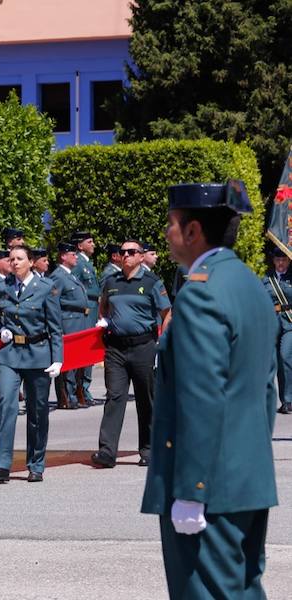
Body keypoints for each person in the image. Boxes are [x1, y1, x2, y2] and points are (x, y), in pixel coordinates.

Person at [141, 180, 278, 598]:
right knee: (244, 589)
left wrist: (191, 492)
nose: (166, 233)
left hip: (210, 487)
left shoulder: (201, 293)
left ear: (194, 231)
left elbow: (202, 398)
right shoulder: (249, 285)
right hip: (247, 476)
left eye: (171, 223)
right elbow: (264, 393)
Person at [0, 245, 63, 484]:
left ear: (30, 262)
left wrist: (58, 358)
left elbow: (55, 328)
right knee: (5, 404)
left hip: (38, 353)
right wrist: (0, 330)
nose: (15, 262)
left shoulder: (46, 288)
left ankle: (36, 464)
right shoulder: (1, 287)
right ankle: (2, 464)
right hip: (9, 354)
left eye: (19, 259)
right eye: (11, 259)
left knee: (37, 410)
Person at [91, 239, 171, 469]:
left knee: (146, 399)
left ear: (141, 256)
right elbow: (103, 306)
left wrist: (162, 344)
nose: (125, 255)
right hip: (116, 347)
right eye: (122, 252)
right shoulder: (111, 282)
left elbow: (167, 313)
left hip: (143, 346)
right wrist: (104, 322)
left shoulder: (152, 282)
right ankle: (107, 451)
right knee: (114, 396)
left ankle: (148, 450)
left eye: (131, 252)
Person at [48, 242, 88, 410]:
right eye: (72, 254)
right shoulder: (58, 276)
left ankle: (72, 394)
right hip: (68, 321)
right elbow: (53, 303)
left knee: (76, 361)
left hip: (78, 321)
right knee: (67, 361)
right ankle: (65, 396)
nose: (76, 256)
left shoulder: (70, 275)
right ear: (63, 256)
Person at [70, 231, 99, 405]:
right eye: (90, 241)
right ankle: (79, 389)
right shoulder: (79, 263)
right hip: (85, 310)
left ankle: (84, 388)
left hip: (93, 308)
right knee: (84, 351)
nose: (93, 244)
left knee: (89, 352)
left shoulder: (87, 263)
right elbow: (75, 287)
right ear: (80, 246)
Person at [263, 246, 292, 414]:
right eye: (278, 260)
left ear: (288, 260)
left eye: (284, 260)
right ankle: (282, 400)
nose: (280, 263)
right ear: (273, 260)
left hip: (289, 322)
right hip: (271, 323)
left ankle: (289, 400)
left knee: (286, 356)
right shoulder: (266, 279)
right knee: (274, 361)